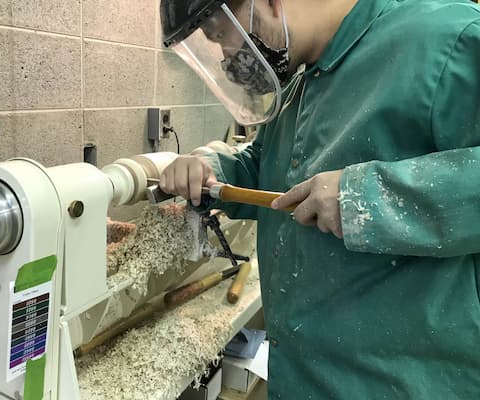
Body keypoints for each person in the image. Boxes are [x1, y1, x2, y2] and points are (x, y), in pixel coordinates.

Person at [158, 0, 480, 398]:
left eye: (222, 34)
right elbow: (268, 169)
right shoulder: (299, 86)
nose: (226, 55)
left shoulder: (446, 37)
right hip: (302, 380)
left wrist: (367, 198)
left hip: (403, 384)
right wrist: (209, 171)